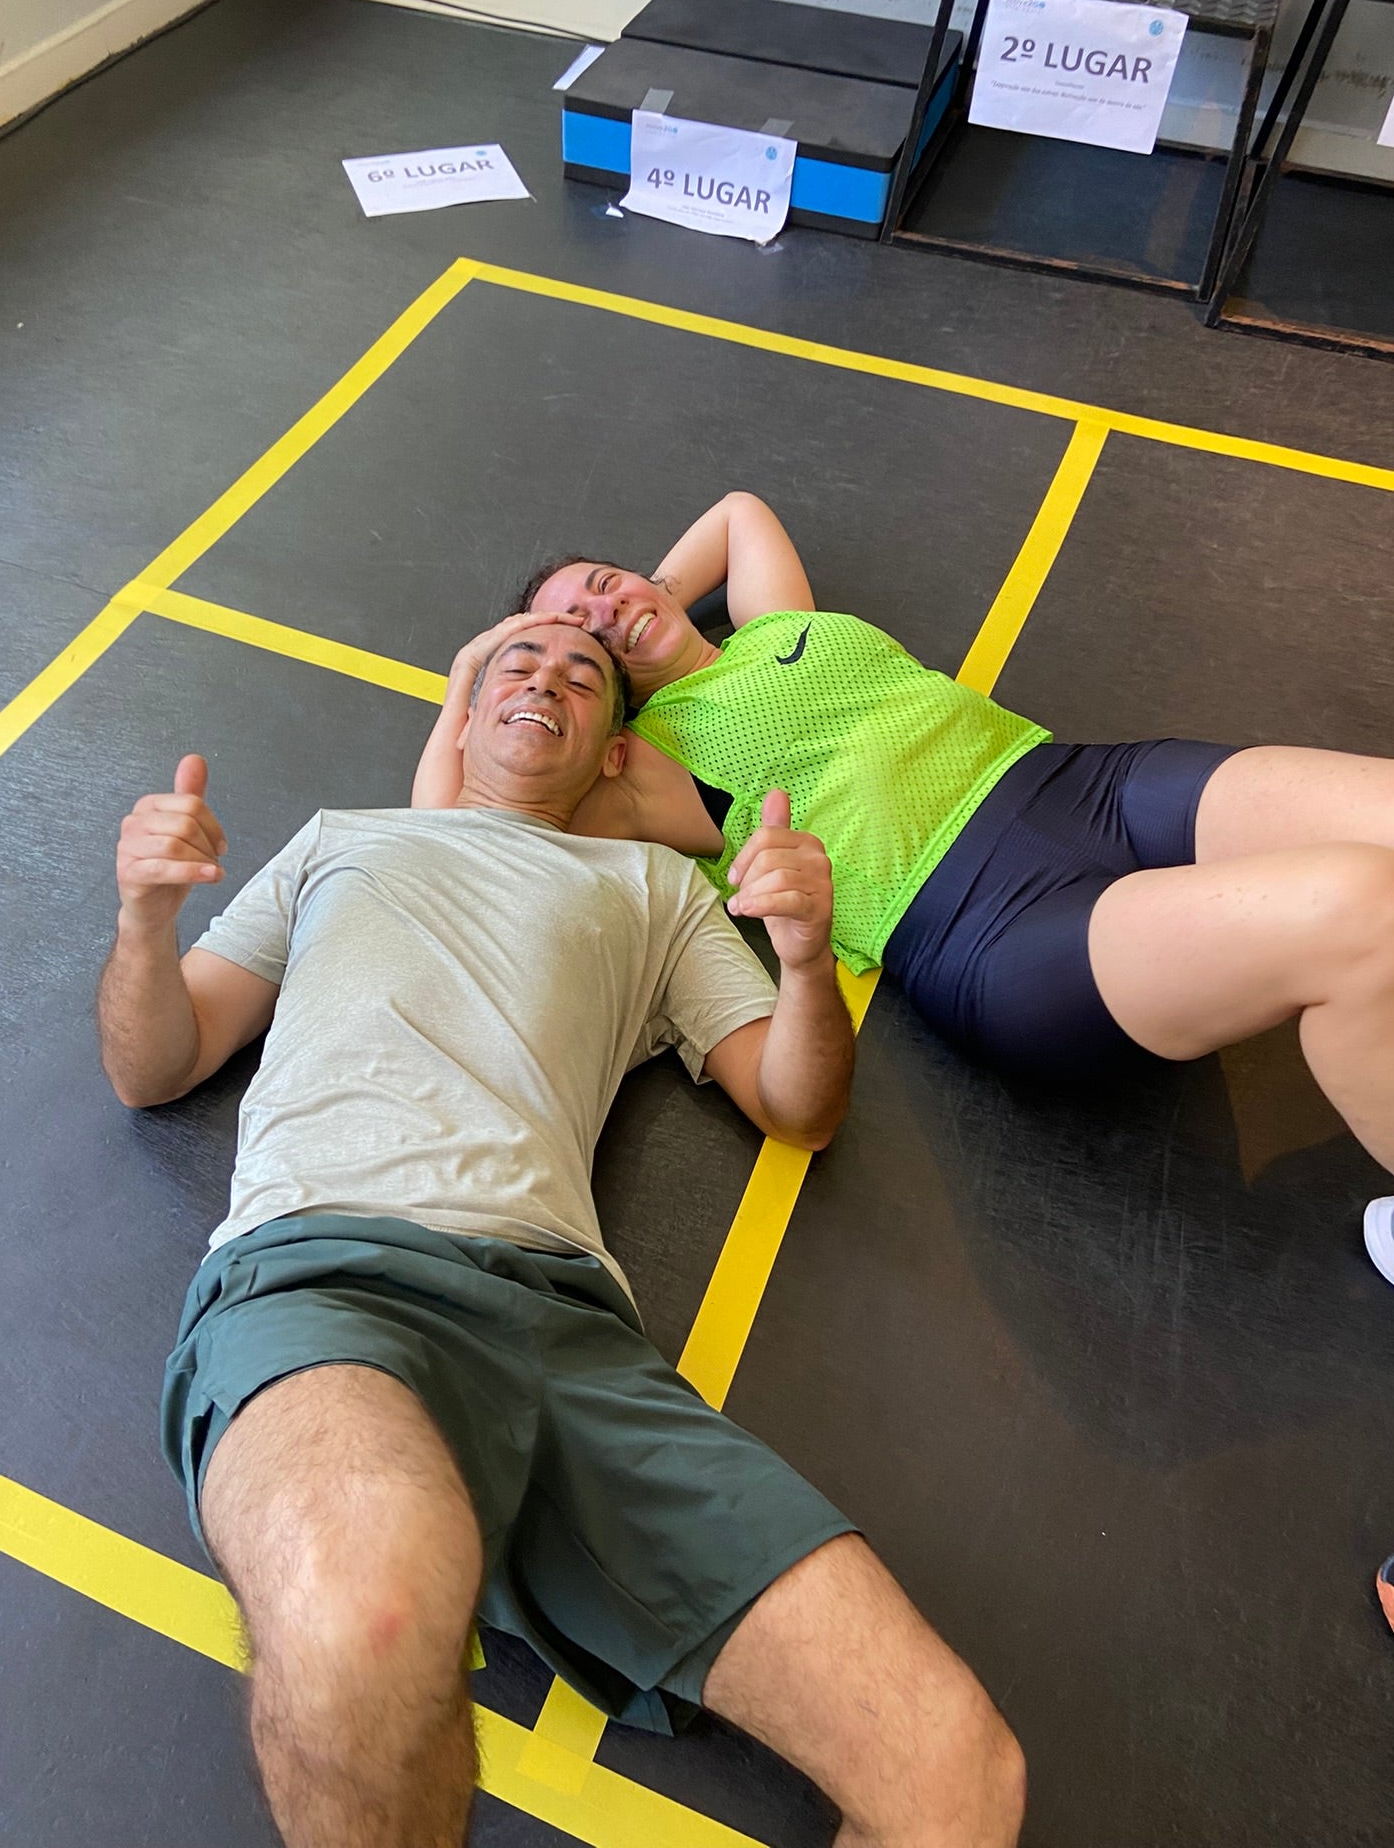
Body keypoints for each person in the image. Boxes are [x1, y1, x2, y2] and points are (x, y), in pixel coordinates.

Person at [100, 618, 1025, 1848]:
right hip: (325, 1276)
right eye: (517, 666)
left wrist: (806, 961)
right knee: (365, 1616)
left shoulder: (655, 889)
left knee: (957, 1770)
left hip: (569, 1337)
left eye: (582, 678)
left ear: (612, 751)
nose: (545, 680)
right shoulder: (340, 841)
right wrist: (145, 922)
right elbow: (154, 1065)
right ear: (468, 713)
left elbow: (797, 1105)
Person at [412, 493, 1394, 1284]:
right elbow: (456, 824)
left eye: (602, 584)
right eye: (575, 631)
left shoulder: (776, 623)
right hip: (998, 924)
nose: (604, 610)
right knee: (1363, 914)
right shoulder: (643, 764)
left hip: (1086, 784)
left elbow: (739, 512)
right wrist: (475, 670)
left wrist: (640, 600)